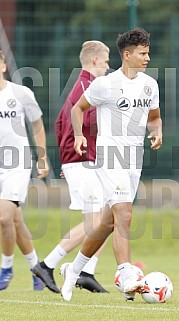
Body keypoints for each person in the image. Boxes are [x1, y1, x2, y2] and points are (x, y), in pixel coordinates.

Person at [60, 27, 162, 301]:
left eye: (148, 53)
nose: (147, 58)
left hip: (133, 159)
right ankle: (126, 273)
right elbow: (77, 109)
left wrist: (157, 131)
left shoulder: (150, 85)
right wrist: (80, 135)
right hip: (109, 157)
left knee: (107, 222)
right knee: (125, 214)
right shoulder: (105, 84)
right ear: (126, 55)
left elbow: (154, 116)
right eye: (142, 53)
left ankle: (74, 269)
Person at [32, 40, 110, 293]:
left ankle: (86, 271)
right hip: (82, 161)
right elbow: (86, 120)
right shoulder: (88, 86)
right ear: (95, 60)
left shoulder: (82, 85)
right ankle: (47, 264)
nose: (109, 66)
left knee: (107, 216)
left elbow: (58, 123)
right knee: (95, 223)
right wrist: (71, 157)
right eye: (107, 61)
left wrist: (66, 155)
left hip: (83, 160)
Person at [0, 49, 58, 293]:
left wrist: (42, 158)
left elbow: (36, 125)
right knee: (14, 219)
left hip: (17, 164)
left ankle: (6, 267)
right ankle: (37, 269)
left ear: (3, 65)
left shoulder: (21, 93)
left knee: (3, 216)